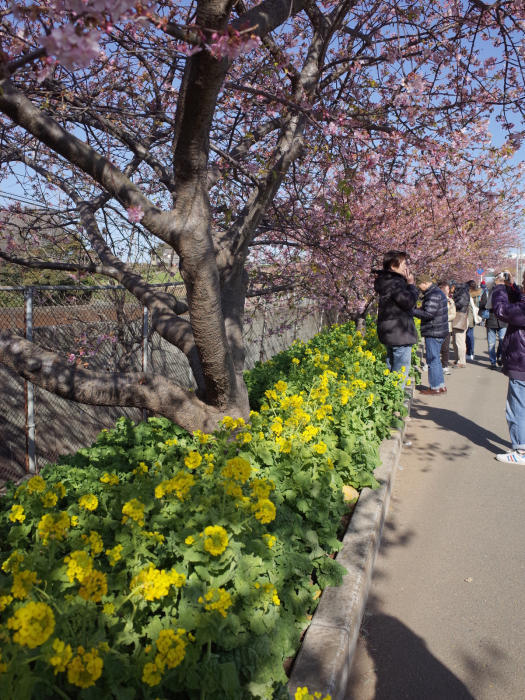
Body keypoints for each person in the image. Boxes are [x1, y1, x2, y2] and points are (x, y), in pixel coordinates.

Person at [492, 271, 525, 463]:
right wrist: (511, 287)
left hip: (521, 362)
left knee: (517, 407)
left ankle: (521, 450)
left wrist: (499, 287)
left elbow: (502, 311)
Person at [373, 250, 419, 381]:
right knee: (400, 372)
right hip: (400, 334)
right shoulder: (395, 283)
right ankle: (396, 398)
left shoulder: (386, 281)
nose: (406, 266)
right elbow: (409, 302)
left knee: (391, 366)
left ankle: (387, 397)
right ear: (393, 266)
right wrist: (411, 285)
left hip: (391, 332)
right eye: (404, 263)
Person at [413, 274, 449, 394]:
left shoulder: (433, 294)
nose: (419, 288)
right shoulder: (436, 292)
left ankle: (435, 387)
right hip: (438, 330)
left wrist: (412, 311)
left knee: (432, 360)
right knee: (436, 360)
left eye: (419, 285)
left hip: (434, 331)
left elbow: (428, 314)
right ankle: (440, 385)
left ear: (424, 283)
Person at [479, 276, 508, 368]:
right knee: (499, 341)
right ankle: (494, 360)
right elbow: (483, 304)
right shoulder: (489, 292)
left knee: (497, 342)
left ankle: (496, 358)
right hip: (496, 320)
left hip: (499, 320)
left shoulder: (488, 292)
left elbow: (483, 304)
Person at [450, 281, 470, 367]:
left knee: (459, 341)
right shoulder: (461, 292)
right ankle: (458, 359)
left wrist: (452, 303)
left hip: (461, 318)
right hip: (458, 318)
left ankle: (462, 361)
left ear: (453, 287)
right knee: (455, 341)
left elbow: (461, 304)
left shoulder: (463, 293)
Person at [439, 280, 456, 375]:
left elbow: (453, 314)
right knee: (435, 348)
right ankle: (433, 364)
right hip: (436, 327)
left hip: (447, 327)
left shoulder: (450, 301)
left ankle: (445, 366)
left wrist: (444, 318)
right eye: (447, 288)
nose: (449, 290)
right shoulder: (435, 299)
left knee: (445, 348)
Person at [466, 280, 481, 360]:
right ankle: (471, 352)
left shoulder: (469, 295)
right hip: (473, 316)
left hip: (469, 316)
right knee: (470, 335)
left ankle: (470, 352)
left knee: (469, 335)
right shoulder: (477, 294)